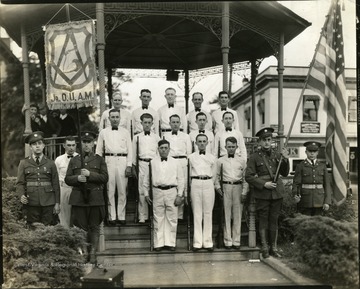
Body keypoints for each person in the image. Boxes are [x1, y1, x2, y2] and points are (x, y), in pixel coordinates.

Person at [65, 131, 108, 264]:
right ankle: (83, 254)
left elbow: (105, 178)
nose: (87, 145)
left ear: (93, 143)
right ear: (81, 144)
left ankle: (93, 254)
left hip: (95, 198)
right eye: (84, 142)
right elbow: (67, 179)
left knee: (94, 227)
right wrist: (77, 178)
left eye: (89, 142)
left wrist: (90, 174)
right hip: (79, 198)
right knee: (81, 228)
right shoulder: (74, 160)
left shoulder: (100, 160)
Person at [245, 127, 289, 258]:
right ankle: (264, 247)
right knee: (263, 220)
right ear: (259, 142)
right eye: (264, 140)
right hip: (263, 193)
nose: (266, 143)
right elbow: (248, 176)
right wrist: (264, 184)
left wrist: (285, 160)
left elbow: (285, 173)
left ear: (272, 141)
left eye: (269, 140)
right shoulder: (254, 157)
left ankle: (273, 248)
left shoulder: (277, 155)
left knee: (274, 220)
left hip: (277, 193)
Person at [143, 139, 185, 251]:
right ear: (158, 149)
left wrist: (179, 195)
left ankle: (170, 243)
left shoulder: (176, 162)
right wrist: (146, 194)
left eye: (166, 148)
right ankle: (158, 243)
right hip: (157, 191)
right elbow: (146, 179)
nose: (164, 150)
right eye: (161, 148)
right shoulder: (152, 162)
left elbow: (181, 180)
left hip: (172, 191)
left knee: (172, 218)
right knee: (158, 217)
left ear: (169, 149)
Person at [96, 109, 132, 225]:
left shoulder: (125, 132)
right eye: (113, 117)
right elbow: (99, 151)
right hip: (109, 161)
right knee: (110, 189)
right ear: (109, 119)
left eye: (117, 117)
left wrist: (129, 165)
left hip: (122, 160)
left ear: (120, 118)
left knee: (122, 190)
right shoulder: (103, 132)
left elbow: (130, 150)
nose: (115, 119)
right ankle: (111, 216)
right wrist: (100, 166)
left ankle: (121, 216)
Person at [16, 131, 60, 226]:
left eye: (40, 143)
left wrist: (57, 203)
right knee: (33, 229)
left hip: (48, 202)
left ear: (44, 145)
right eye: (34, 144)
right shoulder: (23, 163)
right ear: (30, 147)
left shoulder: (51, 163)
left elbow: (56, 184)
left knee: (48, 230)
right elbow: (20, 183)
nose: (37, 146)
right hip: (31, 202)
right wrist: (21, 196)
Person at [215, 137, 248, 249]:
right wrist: (218, 188)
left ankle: (236, 241)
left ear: (236, 147)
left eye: (233, 147)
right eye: (229, 147)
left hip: (238, 187)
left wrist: (244, 192)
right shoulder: (220, 161)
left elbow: (245, 178)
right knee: (226, 215)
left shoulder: (242, 161)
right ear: (225, 147)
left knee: (237, 215)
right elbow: (216, 176)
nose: (231, 149)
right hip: (226, 187)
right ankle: (227, 241)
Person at [188, 134, 217, 252]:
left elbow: (214, 174)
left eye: (204, 141)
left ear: (207, 143)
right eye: (199, 141)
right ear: (196, 143)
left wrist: (210, 183)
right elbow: (188, 174)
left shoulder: (212, 158)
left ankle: (208, 242)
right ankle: (197, 242)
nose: (201, 143)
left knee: (208, 212)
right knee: (197, 213)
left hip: (208, 183)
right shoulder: (190, 157)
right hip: (195, 182)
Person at [132, 113, 160, 223]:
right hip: (142, 164)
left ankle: (153, 215)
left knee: (153, 188)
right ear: (141, 123)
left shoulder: (156, 137)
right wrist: (133, 167)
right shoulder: (136, 137)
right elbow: (134, 153)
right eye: (145, 123)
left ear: (152, 124)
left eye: (149, 123)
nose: (147, 125)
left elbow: (158, 153)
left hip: (153, 164)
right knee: (142, 190)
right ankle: (142, 216)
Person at [162, 114, 191, 220]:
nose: (175, 124)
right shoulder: (165, 136)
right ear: (169, 124)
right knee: (173, 186)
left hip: (183, 161)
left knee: (183, 187)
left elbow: (189, 152)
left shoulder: (186, 136)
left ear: (180, 123)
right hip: (171, 162)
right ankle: (172, 213)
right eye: (173, 122)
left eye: (177, 122)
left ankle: (180, 215)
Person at [292, 141, 331, 216]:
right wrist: (295, 195)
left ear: (317, 152)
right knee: (305, 223)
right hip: (305, 200)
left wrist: (327, 201)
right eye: (310, 151)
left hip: (319, 200)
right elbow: (296, 184)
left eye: (314, 151)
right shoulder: (300, 166)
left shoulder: (322, 166)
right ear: (306, 152)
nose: (312, 153)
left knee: (318, 223)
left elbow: (327, 185)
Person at [55, 136, 78, 228]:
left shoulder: (80, 158)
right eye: (69, 145)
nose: (71, 148)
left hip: (76, 189)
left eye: (73, 145)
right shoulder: (58, 160)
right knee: (63, 215)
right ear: (64, 145)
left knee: (77, 214)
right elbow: (56, 178)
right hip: (63, 188)